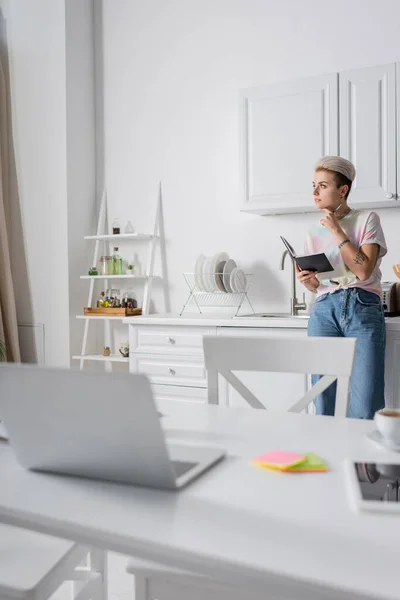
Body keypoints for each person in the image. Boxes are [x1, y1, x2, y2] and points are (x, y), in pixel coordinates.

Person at [297, 156, 387, 419]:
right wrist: (309, 282)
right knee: (323, 399)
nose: (314, 192)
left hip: (362, 307)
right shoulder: (312, 232)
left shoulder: (368, 219)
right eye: (313, 185)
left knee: (365, 400)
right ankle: (325, 458)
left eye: (322, 186)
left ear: (342, 190)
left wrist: (337, 231)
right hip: (324, 309)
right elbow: (319, 284)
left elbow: (362, 270)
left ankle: (363, 461)